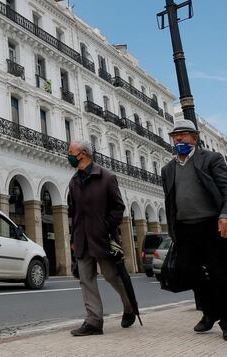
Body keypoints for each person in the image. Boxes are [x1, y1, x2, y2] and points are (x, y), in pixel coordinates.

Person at [160, 119, 227, 342]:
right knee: (189, 272)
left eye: (184, 135)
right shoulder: (168, 169)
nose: (178, 139)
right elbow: (170, 202)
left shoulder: (211, 159)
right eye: (175, 136)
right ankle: (210, 311)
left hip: (213, 225)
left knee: (222, 275)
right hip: (185, 229)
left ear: (194, 138)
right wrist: (173, 229)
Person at [67, 140, 135, 336]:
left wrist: (105, 226)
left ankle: (129, 306)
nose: (68, 156)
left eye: (71, 152)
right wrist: (73, 238)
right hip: (82, 238)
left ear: (83, 154)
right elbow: (75, 213)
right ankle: (94, 321)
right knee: (86, 279)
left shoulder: (106, 177)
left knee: (111, 275)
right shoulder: (73, 181)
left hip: (102, 238)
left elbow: (118, 208)